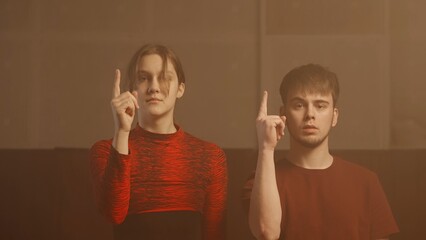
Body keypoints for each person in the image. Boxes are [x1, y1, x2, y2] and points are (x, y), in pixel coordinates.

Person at [242, 64, 399, 240]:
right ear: (283, 114)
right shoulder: (260, 180)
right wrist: (266, 147)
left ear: (334, 116)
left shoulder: (366, 182)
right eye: (299, 105)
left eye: (321, 106)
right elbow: (266, 233)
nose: (310, 114)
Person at [90, 44, 227, 240]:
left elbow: (215, 235)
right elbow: (114, 213)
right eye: (143, 78)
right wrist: (121, 132)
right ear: (132, 90)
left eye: (164, 77)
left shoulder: (210, 157)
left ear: (180, 89)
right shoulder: (104, 150)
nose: (154, 87)